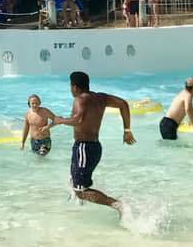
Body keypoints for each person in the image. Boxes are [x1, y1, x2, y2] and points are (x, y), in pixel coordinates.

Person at [53, 71, 135, 211]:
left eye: (70, 86)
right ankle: (75, 209)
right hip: (94, 147)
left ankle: (118, 205)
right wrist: (126, 130)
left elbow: (78, 119)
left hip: (84, 147)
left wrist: (59, 120)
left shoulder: (79, 99)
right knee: (75, 182)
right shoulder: (100, 98)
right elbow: (123, 104)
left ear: (74, 87)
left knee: (81, 191)